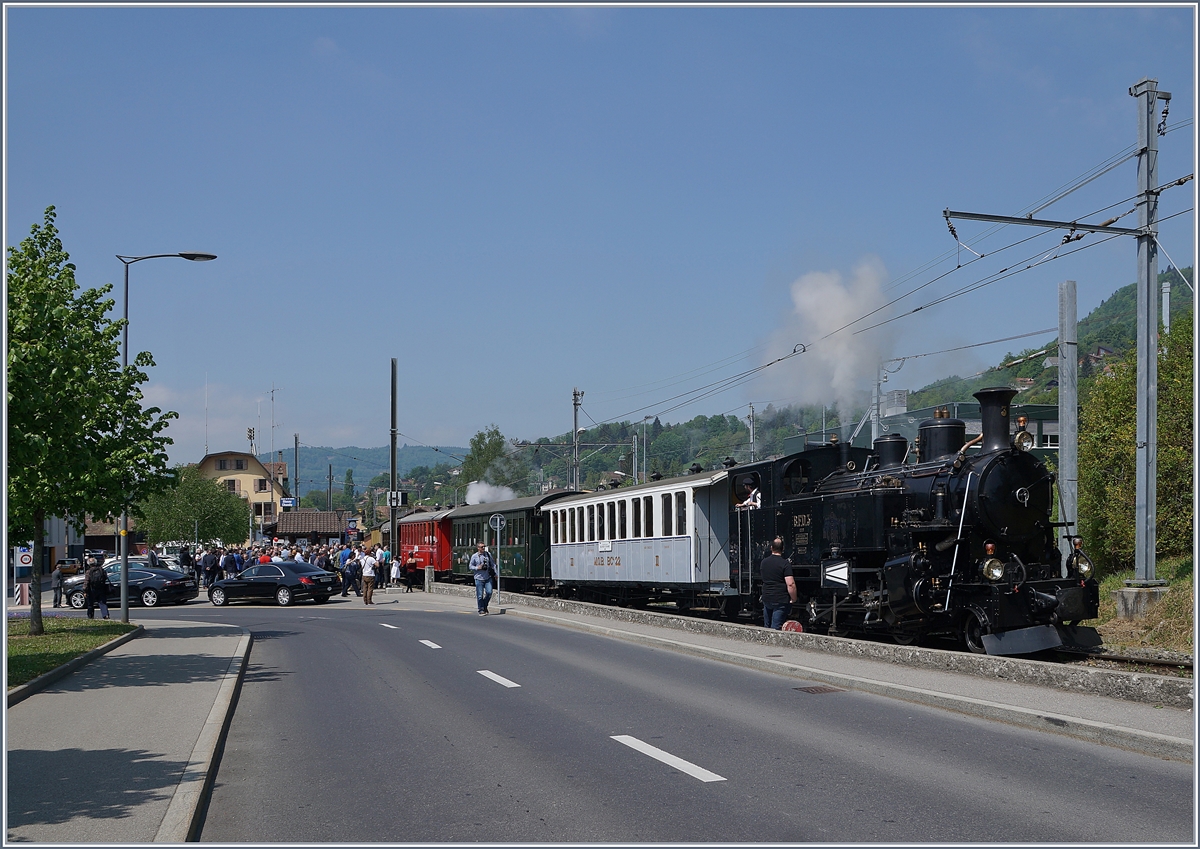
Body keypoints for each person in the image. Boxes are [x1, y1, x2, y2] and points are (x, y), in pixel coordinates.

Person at [759, 537, 796, 630]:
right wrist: (793, 598)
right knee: (776, 627)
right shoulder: (785, 564)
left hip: (766, 597)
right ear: (783, 549)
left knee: (767, 626)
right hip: (780, 598)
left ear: (771, 548)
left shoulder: (764, 562)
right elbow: (790, 584)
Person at [469, 542, 495, 615]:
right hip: (478, 578)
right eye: (481, 547)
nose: (483, 548)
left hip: (488, 577)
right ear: (478, 548)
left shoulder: (488, 554)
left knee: (489, 592)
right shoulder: (474, 556)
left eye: (484, 546)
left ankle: (484, 605)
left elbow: (493, 564)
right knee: (480, 595)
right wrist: (477, 567)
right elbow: (470, 566)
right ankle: (481, 609)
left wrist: (496, 573)